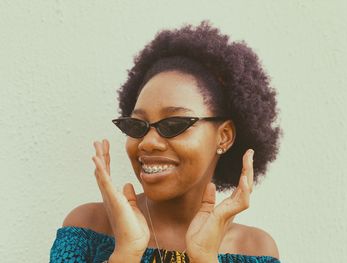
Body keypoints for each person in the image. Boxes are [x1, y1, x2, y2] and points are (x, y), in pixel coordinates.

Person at [50, 20, 282, 263]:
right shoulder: (87, 228)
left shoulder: (255, 250)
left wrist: (204, 257)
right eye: (137, 126)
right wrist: (127, 252)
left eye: (173, 125)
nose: (147, 142)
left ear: (223, 136)